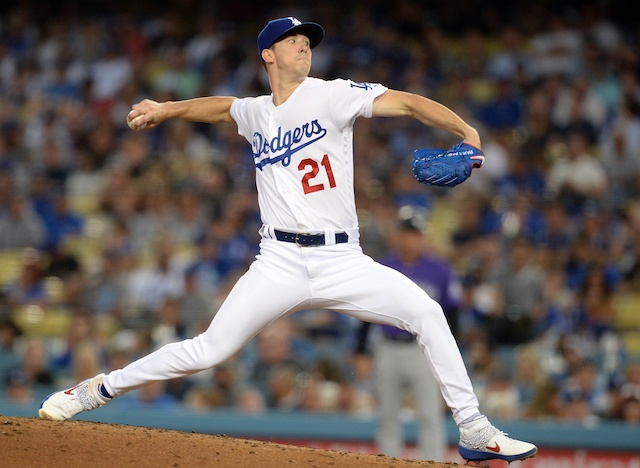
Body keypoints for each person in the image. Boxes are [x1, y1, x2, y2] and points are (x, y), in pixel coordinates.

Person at [39, 17, 537, 464]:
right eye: (292, 42)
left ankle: (473, 428)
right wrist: (168, 109)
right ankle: (96, 389)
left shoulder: (332, 93)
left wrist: (466, 129)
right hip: (277, 260)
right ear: (267, 55)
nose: (304, 48)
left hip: (342, 258)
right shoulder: (257, 113)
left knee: (427, 313)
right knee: (208, 350)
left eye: (307, 42)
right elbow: (222, 109)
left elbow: (407, 102)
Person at [354, 205, 460, 461]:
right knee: (387, 417)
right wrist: (360, 351)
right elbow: (366, 311)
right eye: (409, 232)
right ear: (398, 235)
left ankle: (434, 465)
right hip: (387, 348)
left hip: (422, 349)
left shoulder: (440, 270)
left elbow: (454, 316)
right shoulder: (382, 267)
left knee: (429, 416)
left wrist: (449, 354)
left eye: (418, 233)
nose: (414, 238)